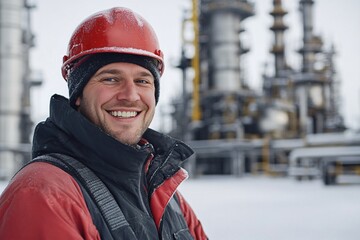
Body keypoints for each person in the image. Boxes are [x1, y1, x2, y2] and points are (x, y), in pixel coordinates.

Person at [0, 7, 208, 240]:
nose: (130, 95)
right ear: (77, 95)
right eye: (110, 78)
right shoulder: (43, 194)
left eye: (142, 80)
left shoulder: (167, 198)